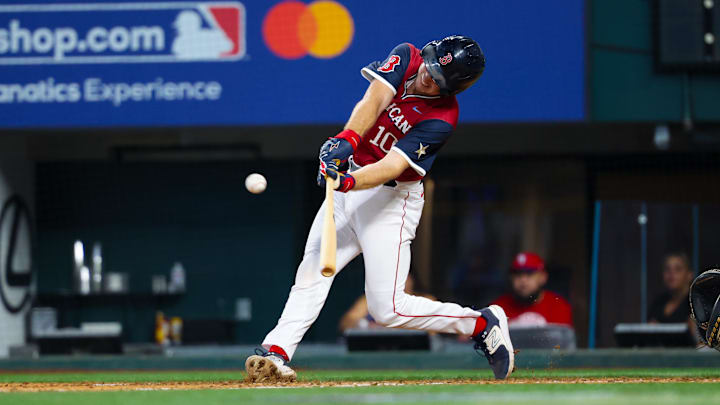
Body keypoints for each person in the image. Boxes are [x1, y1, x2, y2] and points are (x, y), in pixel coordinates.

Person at [245, 36, 515, 382]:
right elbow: (373, 100)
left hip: (390, 202)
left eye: (437, 78)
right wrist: (346, 141)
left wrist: (347, 182)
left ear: (454, 88)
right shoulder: (407, 56)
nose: (427, 76)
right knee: (311, 271)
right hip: (351, 182)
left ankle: (480, 323)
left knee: (387, 309)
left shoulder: (442, 119)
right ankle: (277, 351)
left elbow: (391, 165)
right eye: (430, 65)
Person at [492, 252, 573, 327]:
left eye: (529, 274)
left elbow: (562, 341)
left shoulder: (558, 306)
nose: (523, 280)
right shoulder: (497, 308)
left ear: (543, 277)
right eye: (518, 274)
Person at [339, 275, 436, 332]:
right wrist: (365, 325)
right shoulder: (371, 300)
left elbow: (432, 330)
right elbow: (346, 323)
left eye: (404, 277)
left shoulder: (425, 300)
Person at [648, 252, 693, 324]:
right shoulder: (658, 303)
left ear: (689, 275)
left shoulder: (696, 303)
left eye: (678, 269)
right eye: (667, 269)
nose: (671, 273)